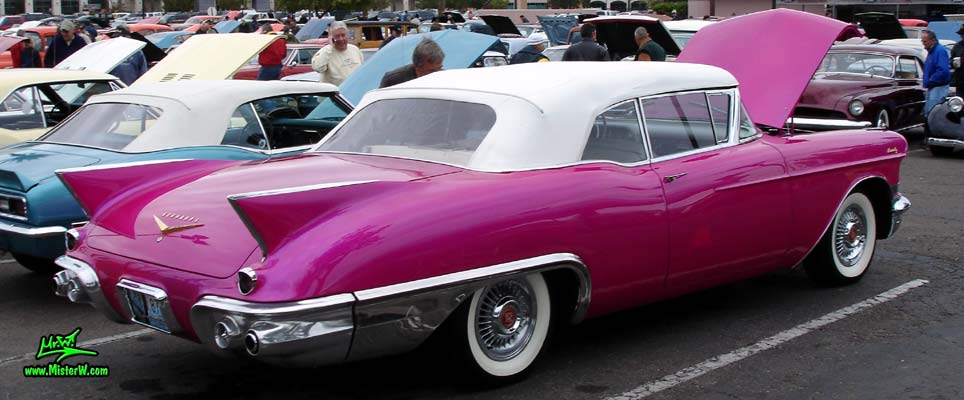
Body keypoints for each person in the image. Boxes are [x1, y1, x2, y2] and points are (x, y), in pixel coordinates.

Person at [310, 21, 363, 86]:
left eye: (343, 35)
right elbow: (318, 68)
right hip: (335, 93)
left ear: (347, 35)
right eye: (337, 36)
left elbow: (362, 70)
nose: (341, 39)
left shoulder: (355, 49)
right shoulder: (325, 51)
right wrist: (330, 47)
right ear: (331, 38)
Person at [379, 37, 444, 88]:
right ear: (417, 68)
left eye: (440, 68)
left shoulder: (446, 80)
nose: (437, 73)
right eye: (431, 71)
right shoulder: (393, 81)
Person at [922, 29, 950, 125]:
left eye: (925, 41)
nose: (923, 44)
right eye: (922, 41)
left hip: (938, 87)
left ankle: (934, 134)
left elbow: (943, 70)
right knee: (928, 112)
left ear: (932, 40)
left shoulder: (939, 51)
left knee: (933, 113)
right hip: (933, 87)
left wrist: (931, 80)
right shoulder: (932, 51)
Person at [950, 24, 964, 96]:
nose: (961, 36)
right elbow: (951, 61)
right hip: (960, 82)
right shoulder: (957, 46)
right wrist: (953, 63)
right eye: (961, 34)